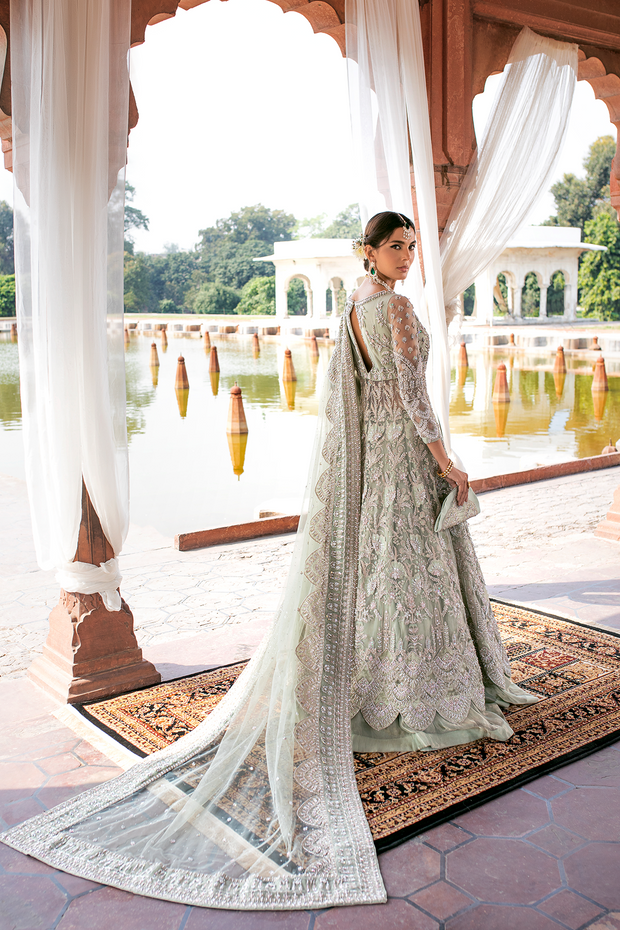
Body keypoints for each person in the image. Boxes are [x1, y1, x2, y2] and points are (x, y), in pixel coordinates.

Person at [2, 211, 537, 912]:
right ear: (370, 252)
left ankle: (377, 681)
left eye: (410, 246)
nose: (407, 256)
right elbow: (412, 398)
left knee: (384, 578)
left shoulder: (354, 305)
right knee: (411, 578)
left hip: (368, 466)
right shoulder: (396, 308)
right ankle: (416, 698)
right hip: (400, 461)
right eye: (395, 246)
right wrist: (447, 462)